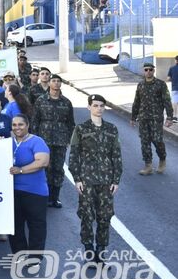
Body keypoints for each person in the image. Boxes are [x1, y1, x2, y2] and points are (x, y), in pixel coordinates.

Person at [69, 94, 122, 266]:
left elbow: (116, 156)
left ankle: (101, 252)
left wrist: (116, 180)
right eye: (95, 105)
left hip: (106, 181)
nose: (99, 108)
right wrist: (77, 179)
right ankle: (89, 251)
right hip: (87, 180)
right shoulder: (80, 129)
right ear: (89, 107)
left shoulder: (112, 129)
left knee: (105, 217)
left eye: (101, 106)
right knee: (86, 216)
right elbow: (74, 155)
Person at [9, 114, 50, 270]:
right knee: (15, 225)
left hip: (35, 192)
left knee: (36, 225)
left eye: (20, 124)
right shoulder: (8, 142)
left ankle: (35, 258)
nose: (17, 128)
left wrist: (20, 170)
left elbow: (42, 162)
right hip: (13, 190)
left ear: (27, 125)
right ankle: (19, 255)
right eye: (14, 125)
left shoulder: (37, 141)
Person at [32, 74, 75, 208]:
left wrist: (69, 139)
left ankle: (55, 198)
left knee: (58, 169)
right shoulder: (41, 100)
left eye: (58, 81)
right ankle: (44, 196)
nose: (56, 83)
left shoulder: (66, 102)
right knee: (44, 168)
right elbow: (35, 120)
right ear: (49, 83)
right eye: (54, 81)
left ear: (61, 84)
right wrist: (35, 139)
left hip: (60, 141)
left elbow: (70, 123)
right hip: (44, 140)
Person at [131, 62, 174, 175]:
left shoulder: (160, 84)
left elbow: (167, 101)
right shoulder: (140, 85)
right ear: (143, 71)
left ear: (154, 71)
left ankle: (162, 159)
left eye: (150, 69)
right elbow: (137, 102)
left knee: (157, 140)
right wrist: (133, 117)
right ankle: (148, 166)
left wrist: (169, 117)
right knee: (145, 141)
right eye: (146, 70)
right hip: (143, 118)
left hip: (156, 118)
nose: (148, 72)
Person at [169, 55, 178, 123]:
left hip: (175, 88)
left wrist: (173, 79)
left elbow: (168, 78)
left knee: (174, 102)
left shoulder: (172, 68)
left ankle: (175, 117)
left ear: (176, 61)